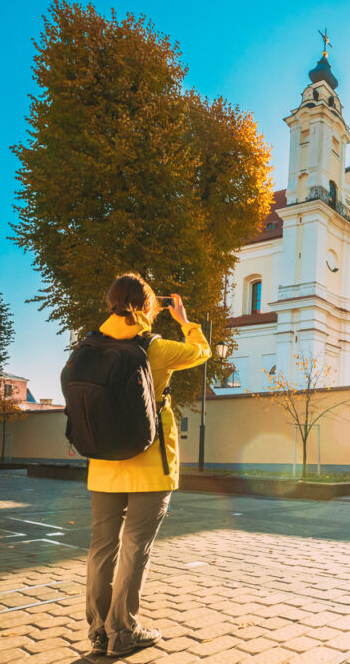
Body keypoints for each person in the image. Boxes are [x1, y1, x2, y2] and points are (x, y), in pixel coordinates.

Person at [85, 272, 209, 658]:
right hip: (149, 464)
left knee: (101, 548)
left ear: (110, 303)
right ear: (148, 307)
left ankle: (99, 630)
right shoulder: (156, 349)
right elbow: (203, 352)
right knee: (135, 547)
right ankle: (122, 631)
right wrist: (186, 321)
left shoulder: (88, 345)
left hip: (103, 464)